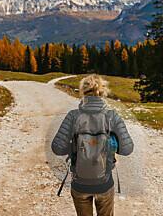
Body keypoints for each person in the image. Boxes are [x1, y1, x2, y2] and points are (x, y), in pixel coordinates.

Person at [51, 74, 134, 216]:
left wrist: (74, 146)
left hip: (79, 183)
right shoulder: (112, 116)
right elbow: (127, 149)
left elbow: (57, 148)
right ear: (103, 92)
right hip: (104, 183)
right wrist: (111, 144)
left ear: (83, 92)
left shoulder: (73, 116)